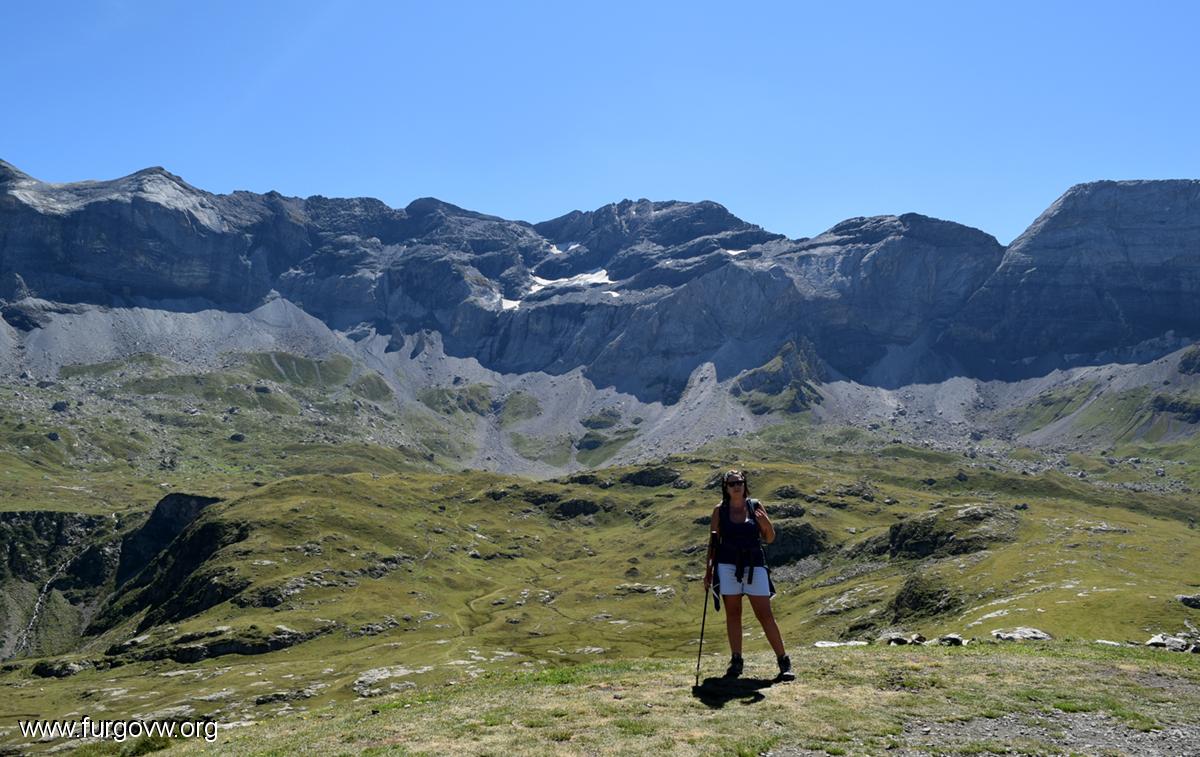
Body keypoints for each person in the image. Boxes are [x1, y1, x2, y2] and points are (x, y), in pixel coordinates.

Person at [704, 469, 793, 681]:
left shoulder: (755, 506)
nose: (737, 486)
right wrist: (708, 571)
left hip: (754, 564)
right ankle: (736, 661)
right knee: (733, 613)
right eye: (732, 483)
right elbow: (713, 543)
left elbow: (769, 538)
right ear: (725, 488)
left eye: (740, 482)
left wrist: (766, 524)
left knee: (765, 614)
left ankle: (783, 661)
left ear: (745, 485)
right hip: (727, 565)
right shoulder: (720, 510)